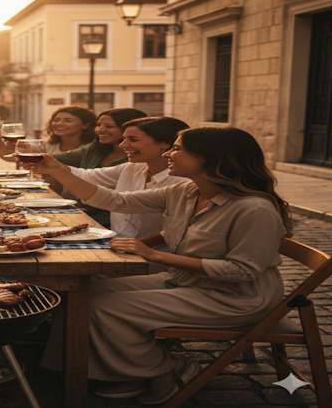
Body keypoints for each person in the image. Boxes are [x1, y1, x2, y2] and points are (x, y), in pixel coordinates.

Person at [26, 127, 291, 404]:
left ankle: (169, 369)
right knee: (85, 291)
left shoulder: (254, 209)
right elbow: (116, 200)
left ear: (210, 158)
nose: (168, 153)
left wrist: (156, 256)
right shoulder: (186, 191)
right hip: (187, 282)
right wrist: (58, 170)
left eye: (177, 148)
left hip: (234, 297)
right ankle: (89, 369)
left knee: (101, 308)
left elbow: (243, 271)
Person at [35, 116, 189, 239]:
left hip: (149, 257)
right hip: (116, 242)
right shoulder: (133, 167)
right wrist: (54, 167)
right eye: (123, 139)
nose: (123, 145)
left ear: (165, 144)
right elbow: (88, 176)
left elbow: (115, 201)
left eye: (133, 140)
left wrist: (56, 169)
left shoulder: (184, 182)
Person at [48, 108, 148, 227]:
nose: (101, 130)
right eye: (99, 125)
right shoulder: (96, 148)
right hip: (82, 213)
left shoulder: (137, 161)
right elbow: (61, 160)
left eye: (109, 126)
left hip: (107, 222)